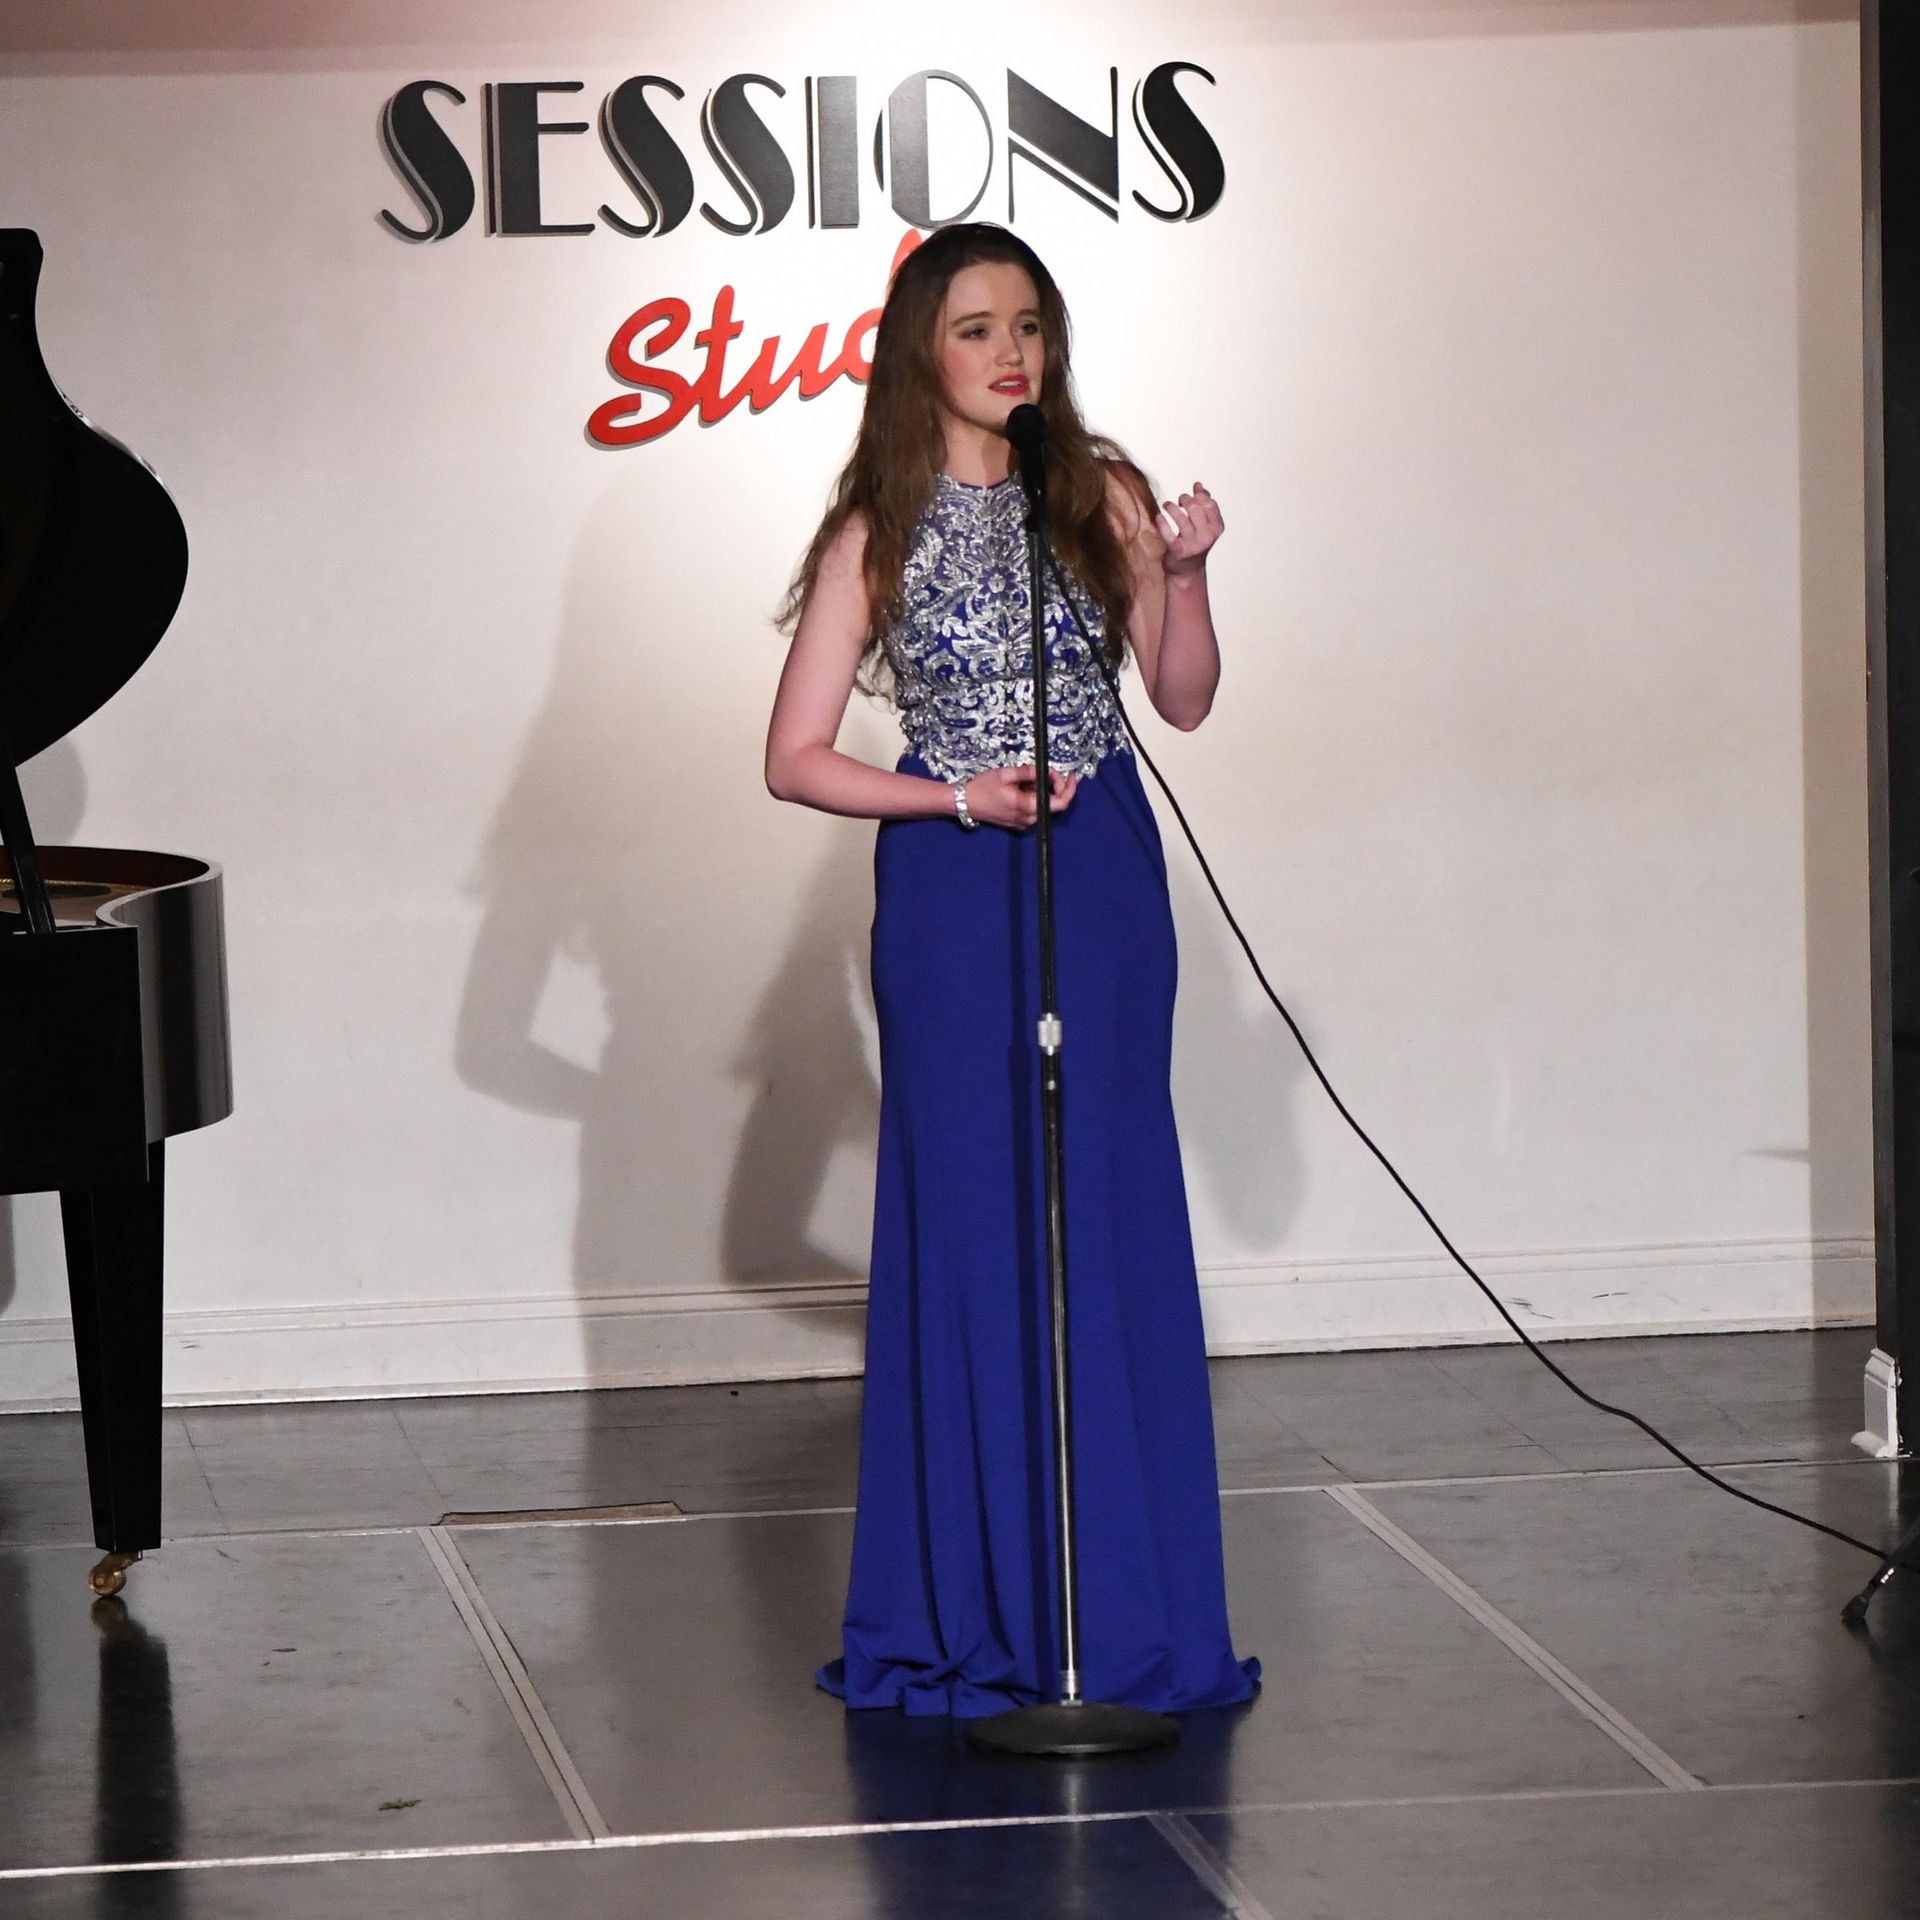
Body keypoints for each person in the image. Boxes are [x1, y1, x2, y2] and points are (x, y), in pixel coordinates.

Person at [765, 221, 1260, 1718]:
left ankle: (1122, 1606)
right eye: (978, 327)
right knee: (980, 1226)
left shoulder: (1096, 488)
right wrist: (955, 799)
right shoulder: (877, 527)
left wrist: (1184, 573)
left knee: (1100, 1207)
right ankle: (980, 1604)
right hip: (954, 884)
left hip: (1099, 872)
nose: (1011, 351)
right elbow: (793, 761)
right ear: (924, 348)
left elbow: (1179, 701)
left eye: (1029, 324)